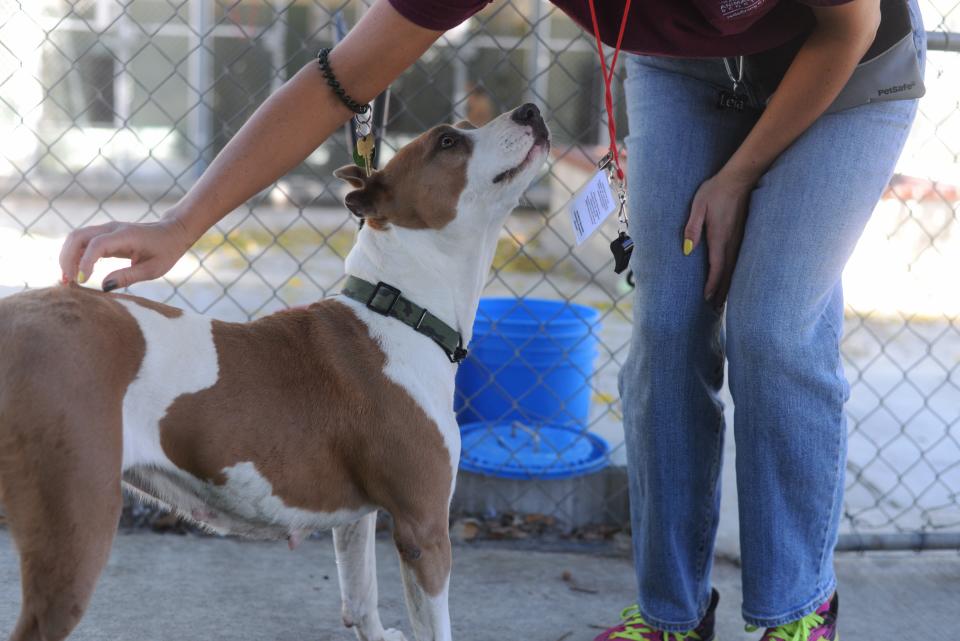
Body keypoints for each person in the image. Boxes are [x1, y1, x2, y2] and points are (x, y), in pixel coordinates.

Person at [58, 1, 926, 639]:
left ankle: (792, 610)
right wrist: (182, 223)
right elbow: (335, 83)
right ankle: (670, 616)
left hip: (845, 65)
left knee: (772, 324)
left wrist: (737, 177)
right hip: (687, 76)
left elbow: (846, 26)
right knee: (665, 324)